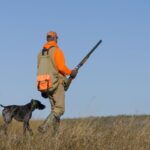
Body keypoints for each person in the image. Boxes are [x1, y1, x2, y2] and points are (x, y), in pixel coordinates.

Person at [37, 31, 78, 134]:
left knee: (54, 110)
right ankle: (44, 126)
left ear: (47, 39)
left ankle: (56, 135)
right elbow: (61, 67)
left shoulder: (40, 53)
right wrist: (71, 72)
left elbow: (39, 68)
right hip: (56, 84)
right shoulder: (57, 51)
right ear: (55, 39)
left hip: (45, 85)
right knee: (59, 109)